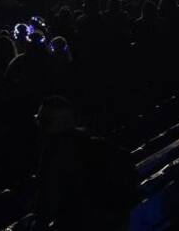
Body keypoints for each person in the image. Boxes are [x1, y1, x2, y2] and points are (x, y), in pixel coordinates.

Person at [32, 96, 139, 231]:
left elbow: (48, 197)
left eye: (43, 122)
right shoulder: (92, 139)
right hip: (116, 219)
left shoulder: (54, 152)